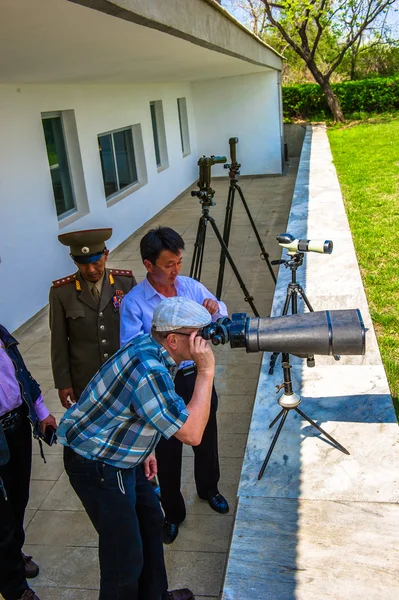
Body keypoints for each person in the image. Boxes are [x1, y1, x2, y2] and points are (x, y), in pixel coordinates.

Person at [57, 296, 217, 600]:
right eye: (200, 336)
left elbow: (138, 407)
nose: (205, 344)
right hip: (99, 463)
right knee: (124, 558)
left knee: (151, 524)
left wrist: (147, 449)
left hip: (124, 454)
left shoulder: (154, 348)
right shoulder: (149, 369)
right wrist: (205, 372)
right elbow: (192, 433)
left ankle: (155, 596)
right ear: (173, 339)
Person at [120, 226, 229, 545]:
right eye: (169, 264)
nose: (176, 270)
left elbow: (220, 311)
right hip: (162, 384)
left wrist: (214, 311)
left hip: (195, 376)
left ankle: (210, 489)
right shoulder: (134, 303)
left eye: (179, 262)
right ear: (148, 264)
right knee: (167, 450)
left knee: (206, 436)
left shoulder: (190, 287)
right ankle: (173, 512)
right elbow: (129, 346)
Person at [49, 227, 136, 408]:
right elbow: (59, 342)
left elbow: (139, 330)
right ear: (74, 261)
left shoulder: (125, 283)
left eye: (96, 262)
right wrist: (63, 383)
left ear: (106, 255)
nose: (90, 269)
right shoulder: (62, 293)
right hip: (86, 380)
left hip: (124, 374)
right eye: (83, 264)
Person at [0, 324, 57, 600]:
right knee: (1, 515)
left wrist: (43, 414)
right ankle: (15, 589)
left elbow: (23, 376)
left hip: (18, 426)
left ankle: (13, 553)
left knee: (19, 498)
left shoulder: (1, 333)